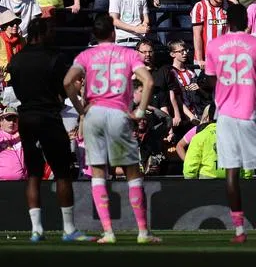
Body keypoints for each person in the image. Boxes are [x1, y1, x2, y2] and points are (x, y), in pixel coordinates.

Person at [63, 15, 158, 244]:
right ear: (113, 33)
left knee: (98, 172)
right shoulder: (128, 54)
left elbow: (67, 82)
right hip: (118, 112)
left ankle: (108, 232)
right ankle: (143, 232)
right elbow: (149, 81)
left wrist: (82, 109)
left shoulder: (85, 55)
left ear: (95, 35)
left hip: (94, 113)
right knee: (131, 171)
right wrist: (140, 111)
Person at [201, 11, 256, 244]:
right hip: (250, 114)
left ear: (227, 24)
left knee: (231, 171)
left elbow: (210, 80)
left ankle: (239, 231)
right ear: (248, 24)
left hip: (225, 115)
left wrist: (226, 88)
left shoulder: (215, 45)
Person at [6, 19, 93, 242]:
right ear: (42, 33)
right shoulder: (54, 58)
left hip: (26, 117)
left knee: (33, 174)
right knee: (63, 173)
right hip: (49, 118)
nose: (53, 34)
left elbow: (17, 88)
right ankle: (69, 229)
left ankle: (36, 230)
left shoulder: (16, 60)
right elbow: (63, 88)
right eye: (51, 30)